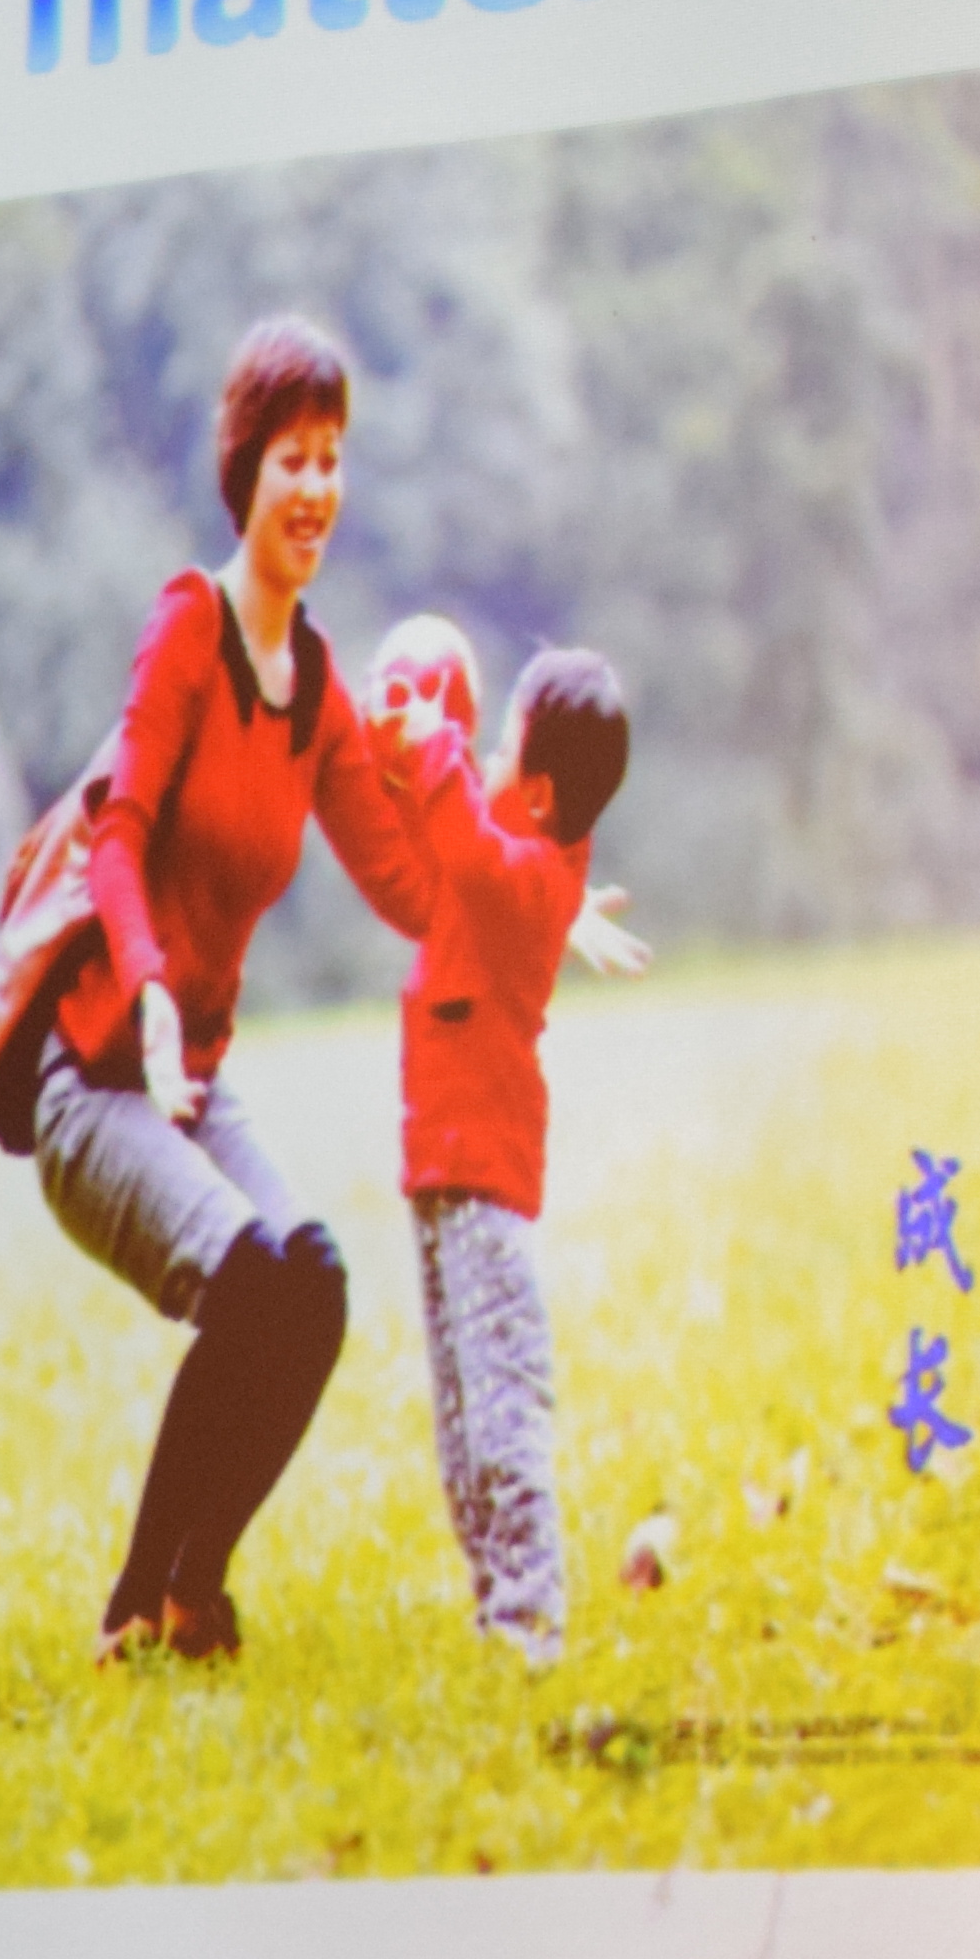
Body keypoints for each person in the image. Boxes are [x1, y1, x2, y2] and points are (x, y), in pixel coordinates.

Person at [15, 317, 433, 1662]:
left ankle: (197, 1589)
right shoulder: (188, 627)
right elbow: (118, 832)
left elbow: (408, 885)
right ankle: (132, 1610)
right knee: (254, 1282)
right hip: (95, 1081)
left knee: (313, 1284)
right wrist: (145, 985)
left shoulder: (317, 687)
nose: (315, 487)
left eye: (332, 458)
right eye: (291, 458)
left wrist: (533, 868)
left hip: (187, 1085)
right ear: (244, 471)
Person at [364, 620, 634, 1662]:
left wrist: (431, 750)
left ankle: (530, 1613)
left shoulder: (530, 879)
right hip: (439, 1173)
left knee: (502, 1405)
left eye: (504, 744)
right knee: (458, 1418)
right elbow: (438, 836)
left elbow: (472, 853)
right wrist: (403, 754)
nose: (483, 754)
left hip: (483, 1177)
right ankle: (494, 1603)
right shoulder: (509, 839)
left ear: (544, 795)